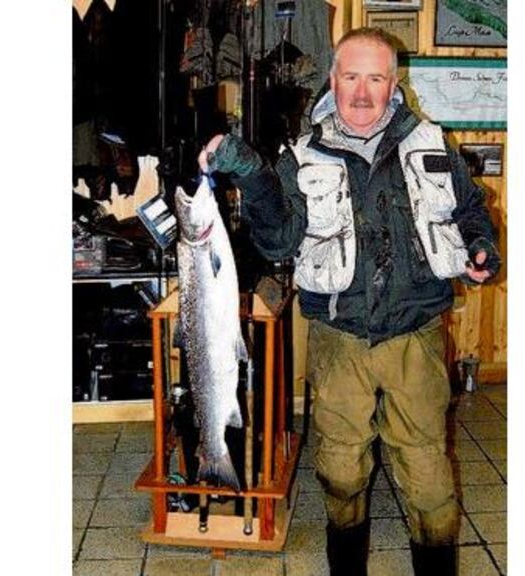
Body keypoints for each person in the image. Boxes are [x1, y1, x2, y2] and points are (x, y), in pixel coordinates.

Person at [198, 27, 500, 575]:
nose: (363, 93)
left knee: (429, 480)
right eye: (352, 77)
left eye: (376, 78)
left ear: (394, 83)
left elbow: (471, 212)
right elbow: (279, 241)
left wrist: (481, 247)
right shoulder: (300, 155)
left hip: (416, 336)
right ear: (333, 80)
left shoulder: (431, 142)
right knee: (339, 472)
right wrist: (253, 176)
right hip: (339, 339)